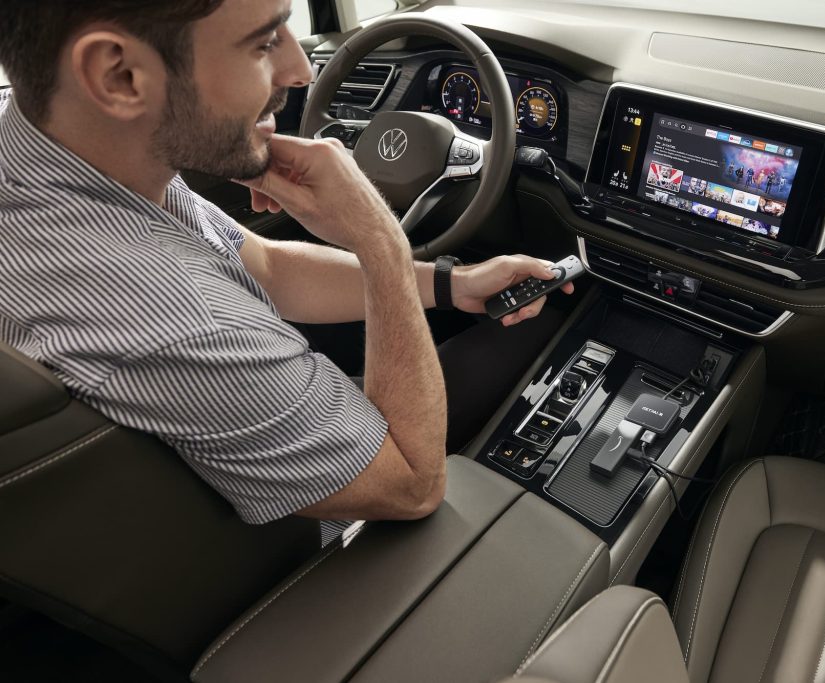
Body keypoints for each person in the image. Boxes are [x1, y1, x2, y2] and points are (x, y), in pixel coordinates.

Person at [0, 0, 572, 537]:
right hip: (322, 557)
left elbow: (267, 267)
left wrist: (450, 284)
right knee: (551, 331)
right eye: (263, 43)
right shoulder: (172, 314)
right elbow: (415, 485)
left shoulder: (78, 163)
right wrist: (381, 241)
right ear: (118, 75)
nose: (300, 70)